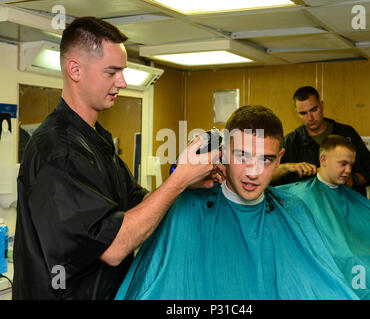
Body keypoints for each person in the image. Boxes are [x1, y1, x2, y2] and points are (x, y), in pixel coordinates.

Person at [12, 17, 224, 300]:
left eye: (122, 72)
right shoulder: (57, 151)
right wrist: (178, 180)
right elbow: (113, 247)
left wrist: (186, 181)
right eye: (111, 72)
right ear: (75, 69)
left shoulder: (95, 139)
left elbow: (136, 207)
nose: (122, 82)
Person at [115, 106, 360, 300]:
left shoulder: (294, 210)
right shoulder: (187, 208)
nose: (254, 172)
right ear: (223, 152)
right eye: (242, 156)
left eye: (266, 159)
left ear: (280, 159)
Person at [276, 135, 370, 300]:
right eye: (343, 164)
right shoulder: (299, 194)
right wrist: (285, 168)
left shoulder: (348, 196)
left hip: (359, 249)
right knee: (353, 259)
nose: (349, 170)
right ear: (323, 159)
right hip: (342, 259)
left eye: (351, 165)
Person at [271, 86, 370, 197]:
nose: (310, 118)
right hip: (308, 210)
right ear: (296, 112)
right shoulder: (290, 143)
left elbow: (368, 173)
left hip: (346, 206)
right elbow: (267, 175)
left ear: (321, 105)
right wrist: (288, 167)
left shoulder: (347, 134)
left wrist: (351, 179)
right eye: (303, 113)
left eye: (314, 110)